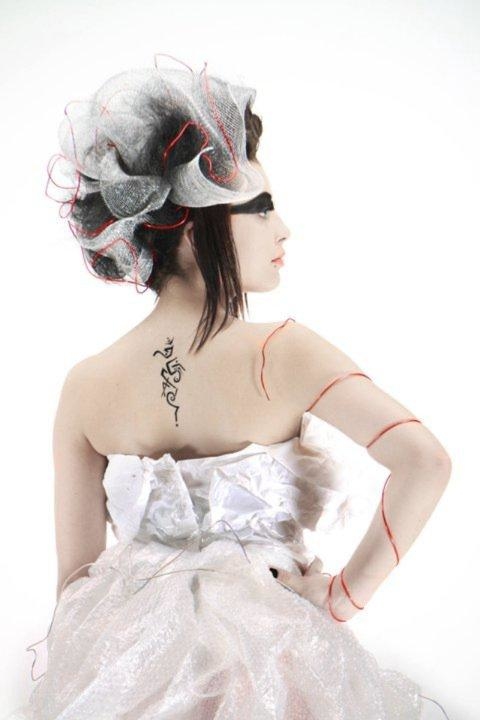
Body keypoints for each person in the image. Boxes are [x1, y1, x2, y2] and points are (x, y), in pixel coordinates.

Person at [4, 54, 452, 719]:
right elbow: (425, 460)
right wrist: (340, 600)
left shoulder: (86, 385)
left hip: (128, 680)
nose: (283, 229)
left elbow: (75, 590)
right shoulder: (282, 353)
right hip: (275, 667)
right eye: (260, 208)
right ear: (193, 227)